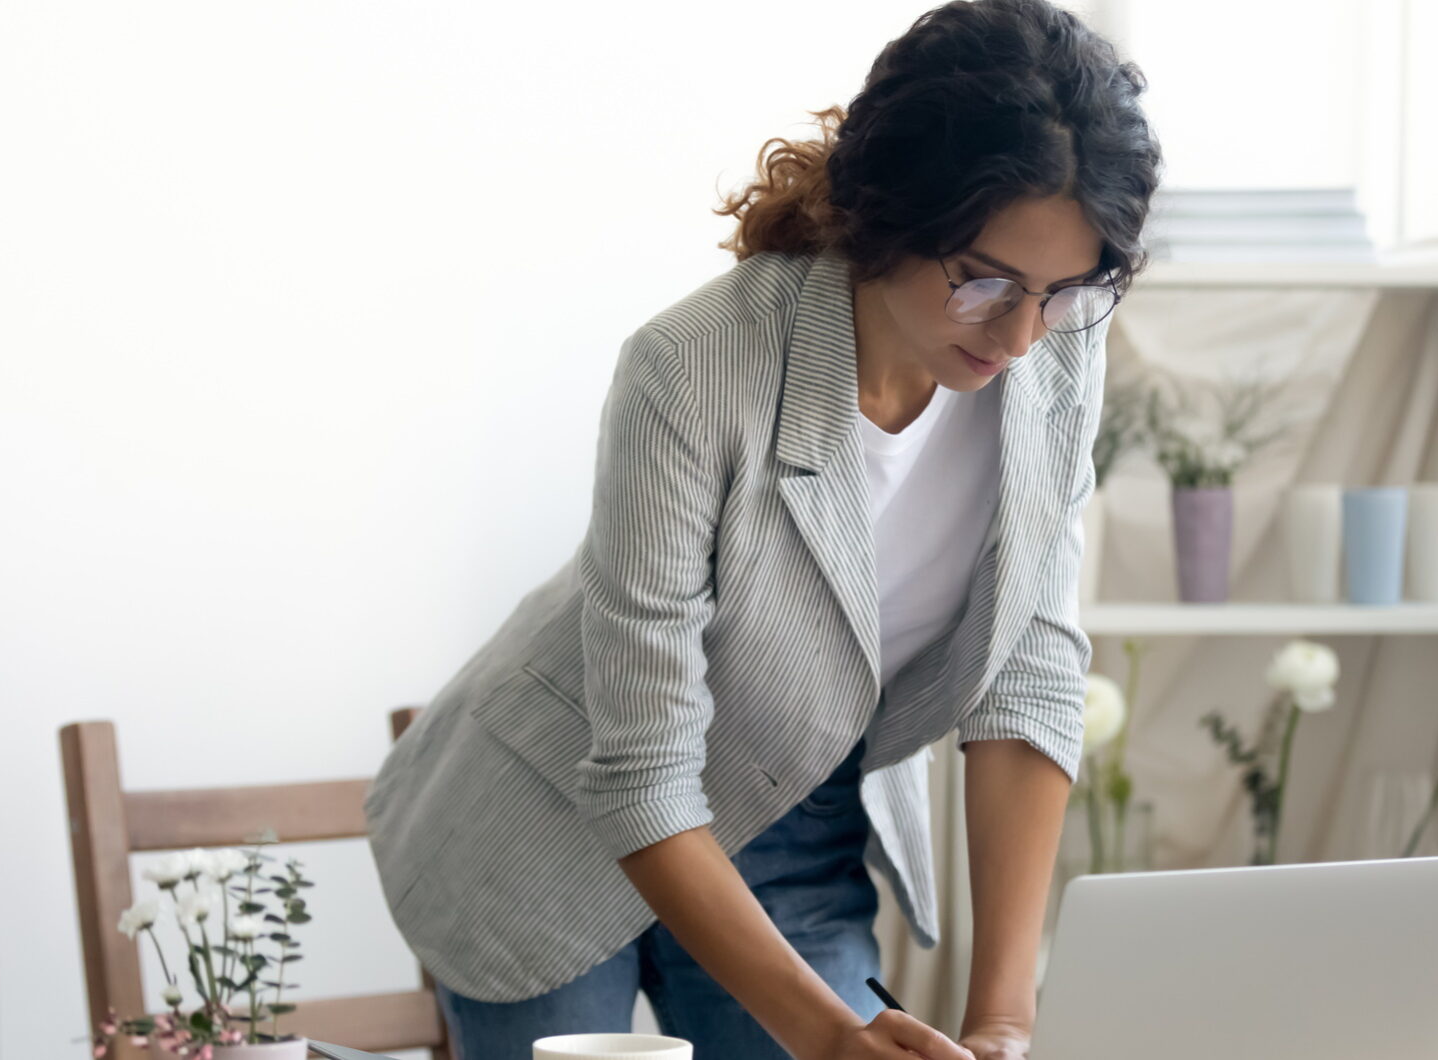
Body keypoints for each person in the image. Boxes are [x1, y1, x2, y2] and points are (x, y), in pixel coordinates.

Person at [364, 2, 1161, 1056]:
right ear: (888, 212)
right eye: (983, 279)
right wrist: (832, 1039)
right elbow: (642, 771)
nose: (1019, 334)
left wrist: (1004, 1019)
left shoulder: (1051, 350)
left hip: (795, 818)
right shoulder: (692, 368)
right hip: (555, 819)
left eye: (1062, 292)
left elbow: (1027, 670)